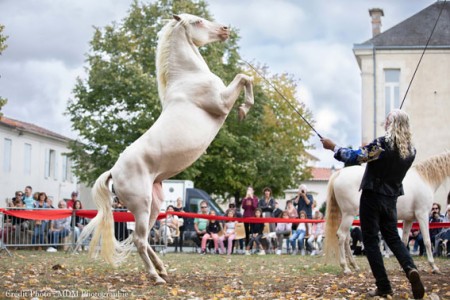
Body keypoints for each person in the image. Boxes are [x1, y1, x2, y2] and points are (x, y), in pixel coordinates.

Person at [321, 109, 424, 299]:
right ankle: (410, 268)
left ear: (392, 124)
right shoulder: (411, 151)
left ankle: (384, 286)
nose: (384, 122)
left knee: (370, 241)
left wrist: (333, 147)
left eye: (387, 120)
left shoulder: (382, 145)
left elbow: (354, 157)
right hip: (391, 200)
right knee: (393, 238)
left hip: (372, 197)